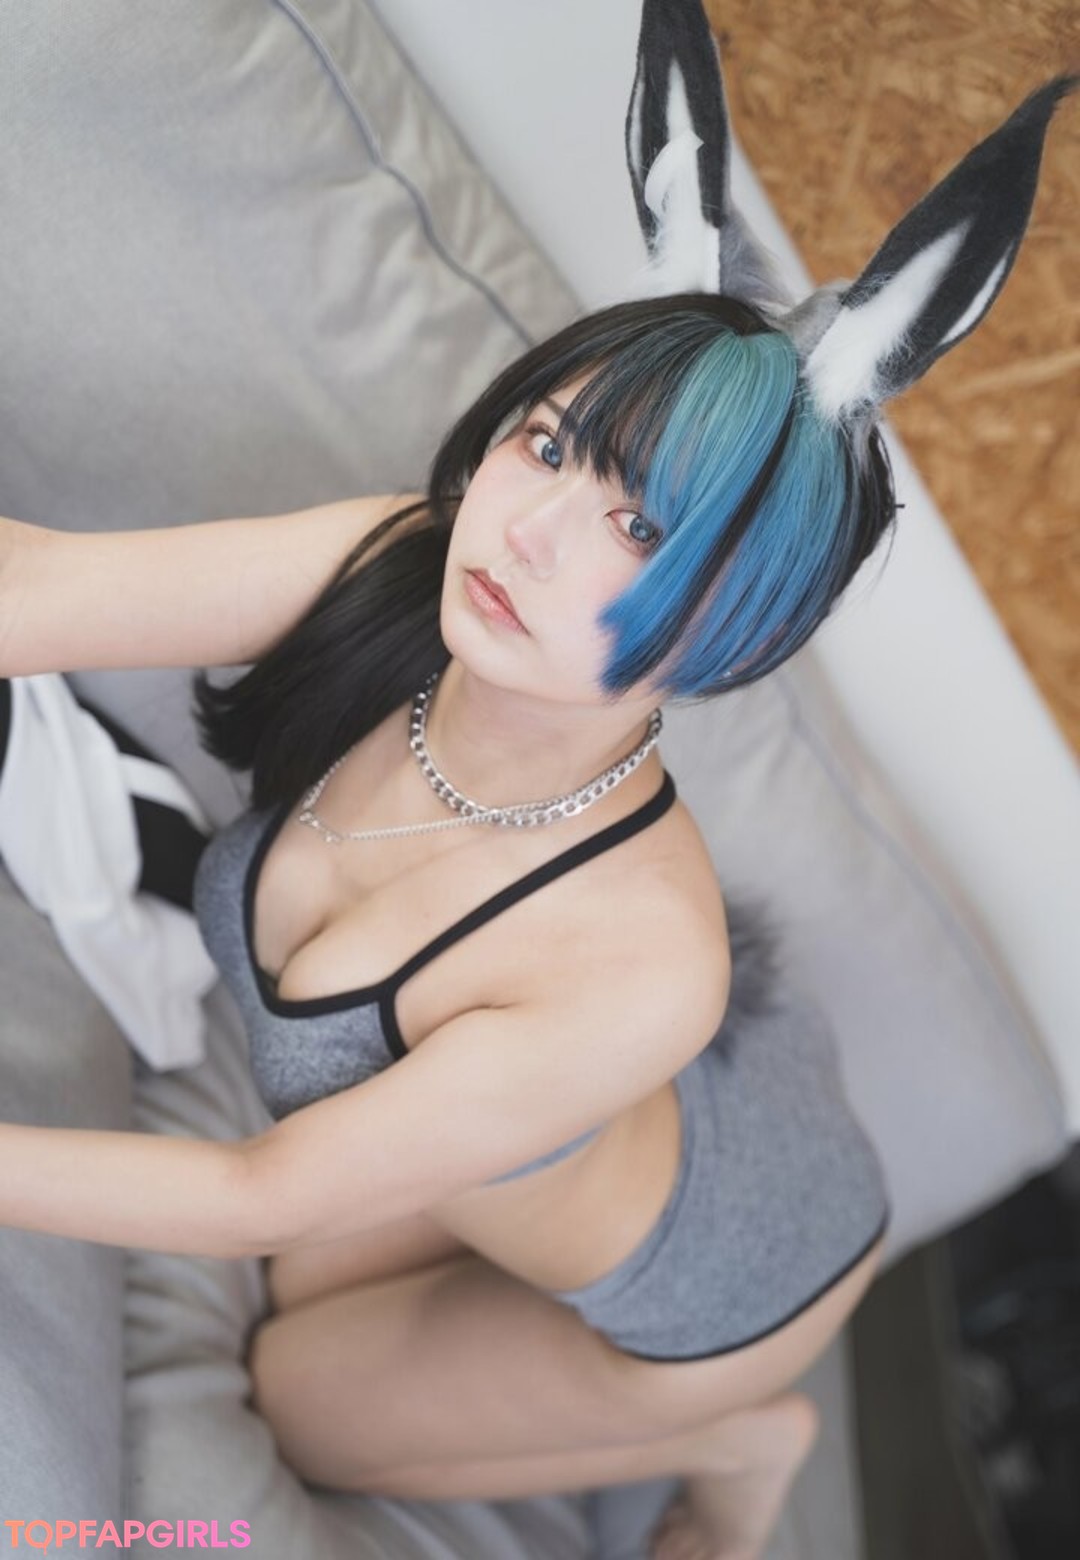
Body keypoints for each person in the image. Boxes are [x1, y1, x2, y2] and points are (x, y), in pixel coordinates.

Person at [0, 0, 1072, 1554]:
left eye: (640, 528)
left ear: (735, 630)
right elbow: (30, 585)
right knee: (319, 1282)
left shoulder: (647, 964)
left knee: (297, 1386)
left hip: (732, 1261)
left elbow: (256, 1192)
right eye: (554, 444)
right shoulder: (401, 565)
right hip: (578, 1111)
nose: (532, 533)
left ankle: (735, 1441)